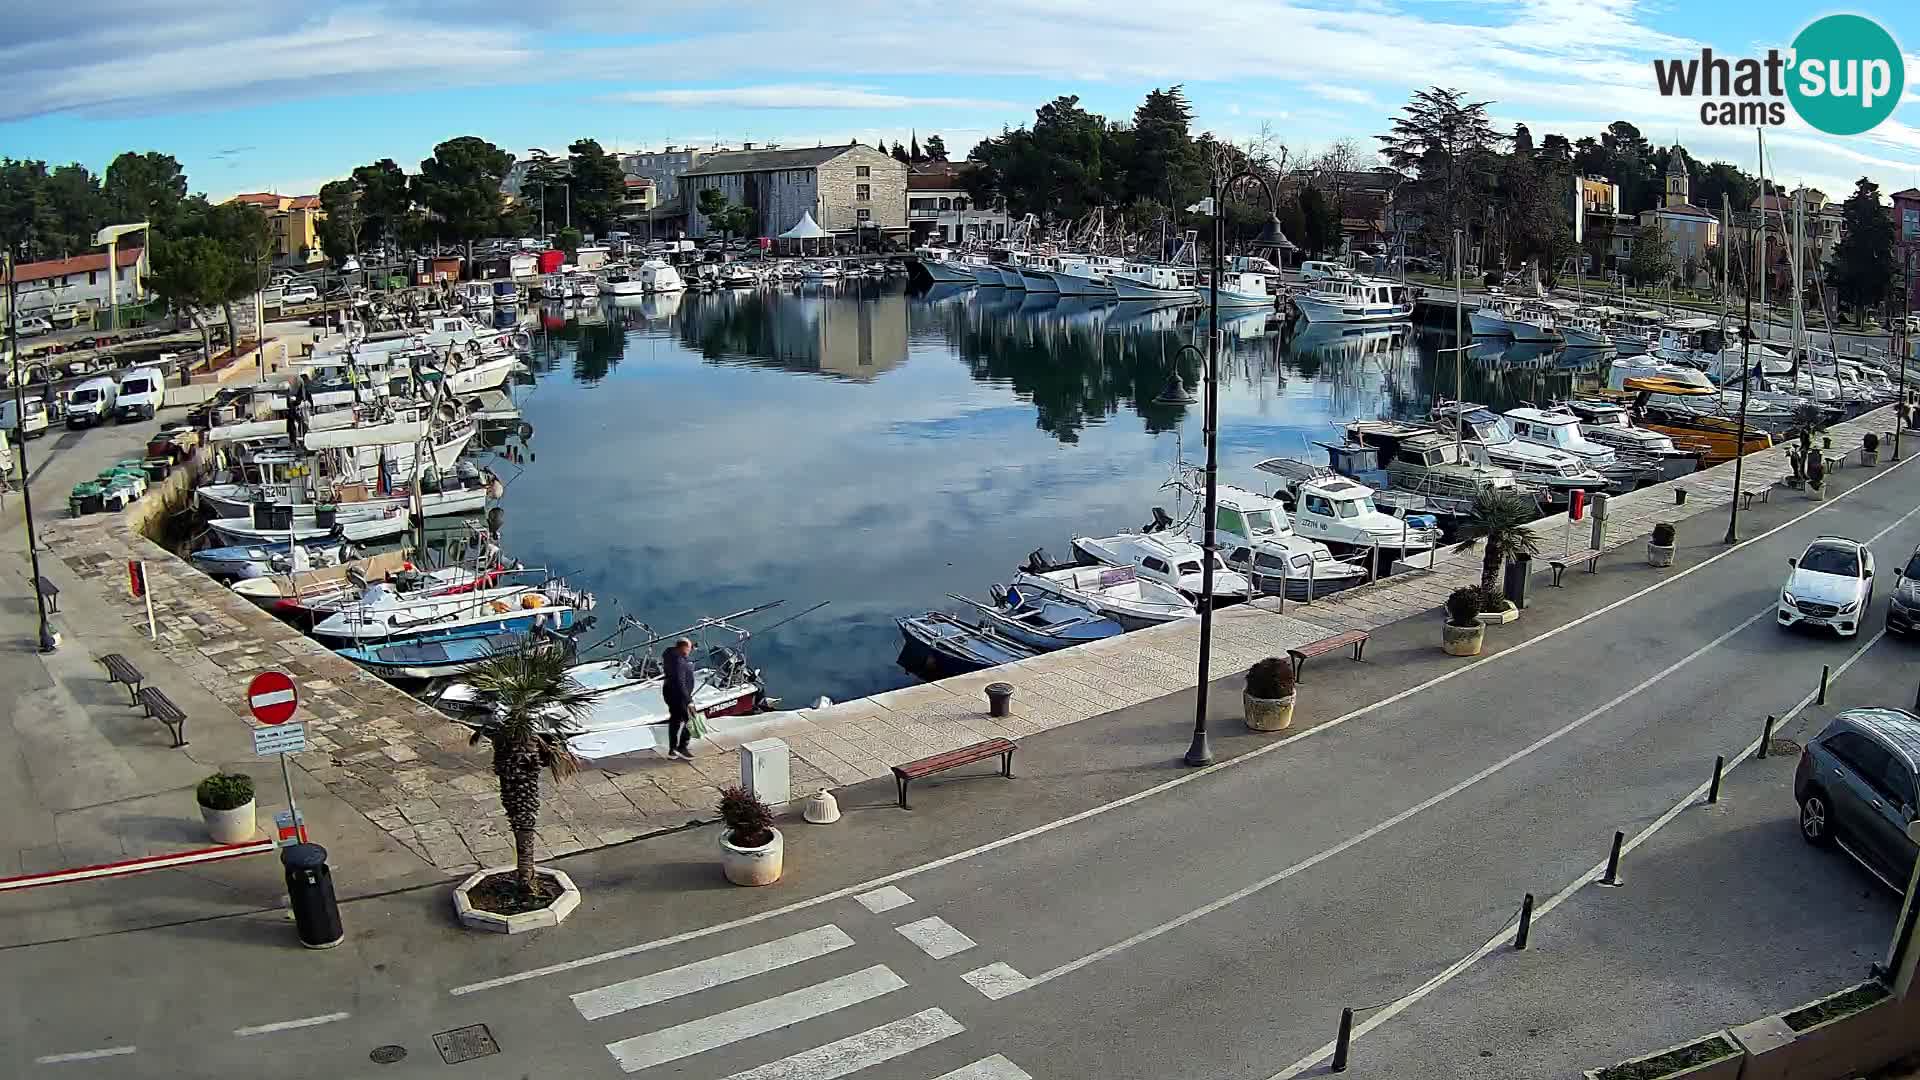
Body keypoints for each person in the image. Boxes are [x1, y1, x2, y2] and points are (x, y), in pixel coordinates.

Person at [662, 638, 697, 760]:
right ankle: (682, 747)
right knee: (692, 719)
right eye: (689, 648)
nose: (690, 651)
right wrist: (688, 701)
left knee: (675, 720)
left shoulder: (671, 656)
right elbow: (680, 682)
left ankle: (672, 750)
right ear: (682, 647)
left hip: (670, 693)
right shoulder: (679, 661)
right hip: (680, 696)